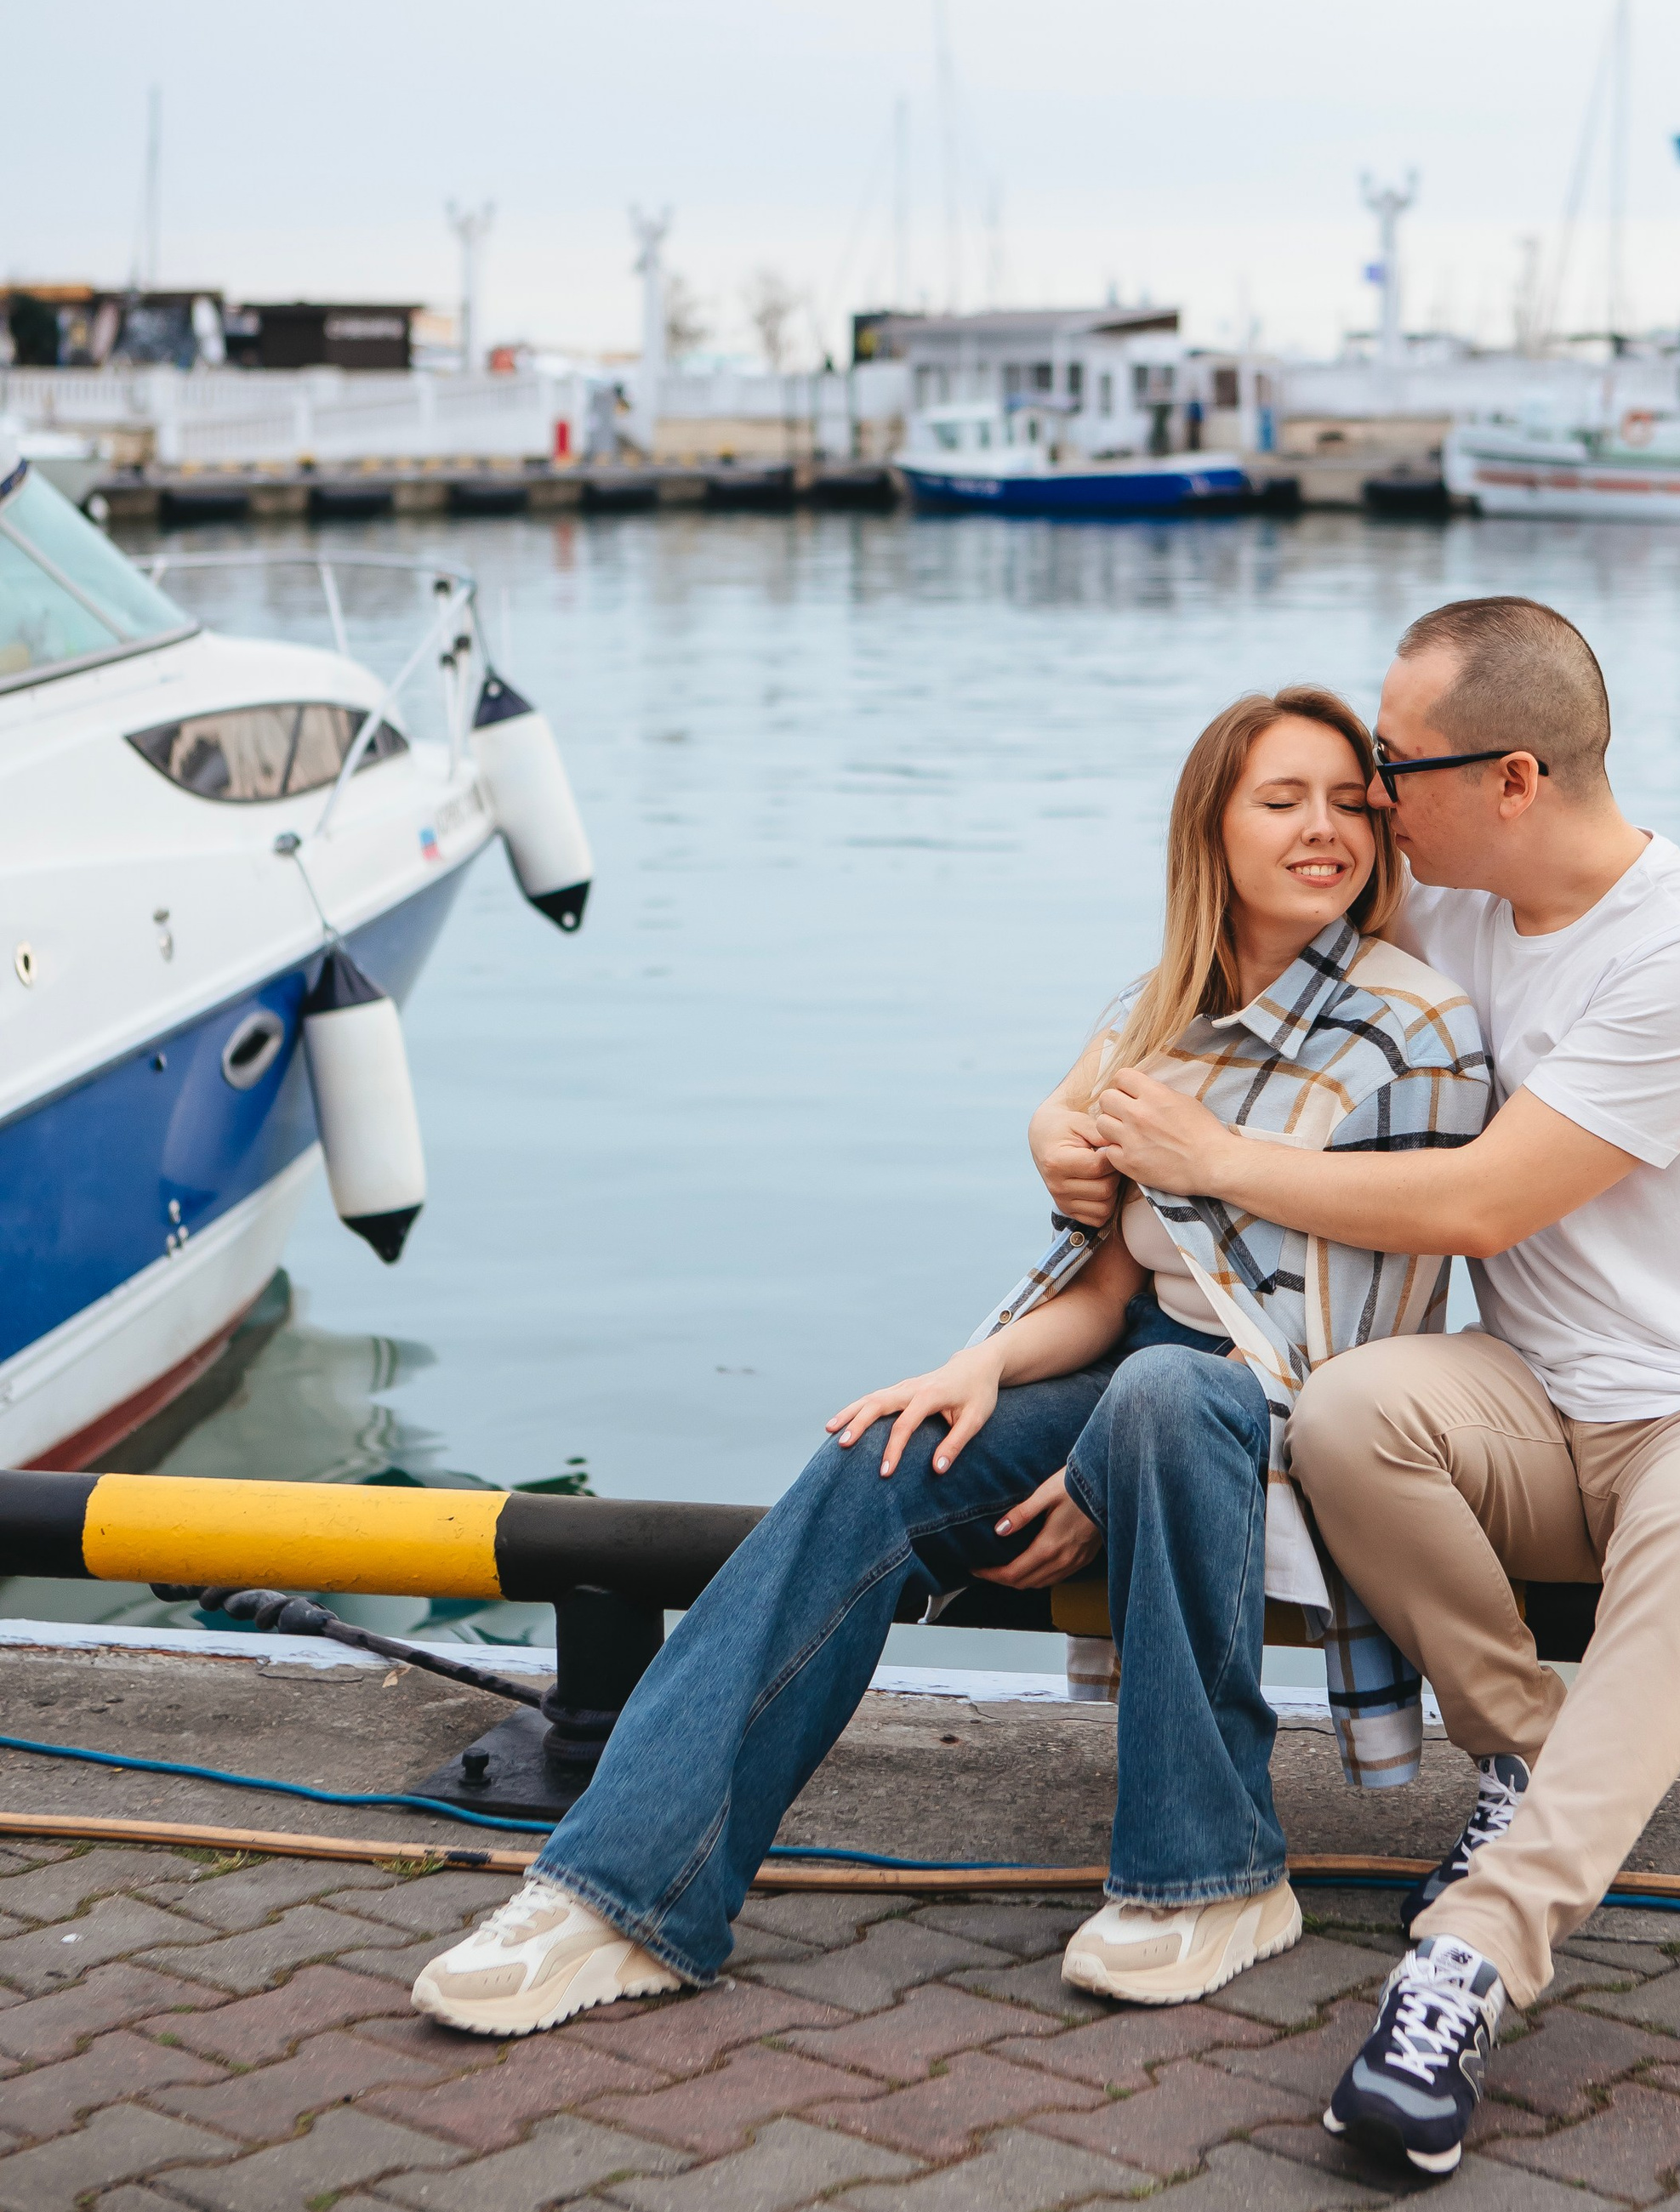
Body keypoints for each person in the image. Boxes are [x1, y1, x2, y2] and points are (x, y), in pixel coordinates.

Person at [410, 685, 1488, 2040]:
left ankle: (1212, 1877)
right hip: (1137, 1375)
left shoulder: (1417, 1028)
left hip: (1293, 1407)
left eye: (1348, 802)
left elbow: (1362, 1336)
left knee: (1164, 1396)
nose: (1323, 829)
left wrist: (1103, 1457)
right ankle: (624, 1895)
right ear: (1211, 829)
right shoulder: (1150, 1018)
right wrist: (976, 1372)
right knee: (884, 1450)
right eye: (1283, 801)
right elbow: (1106, 1294)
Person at [1046, 595, 1680, 2178]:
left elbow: (1486, 1200)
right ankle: (1525, 1747)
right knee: (1352, 1411)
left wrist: (1222, 1162)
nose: (1366, 801)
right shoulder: (1463, 911)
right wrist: (1059, 1120)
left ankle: (1470, 1966)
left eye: (1393, 768)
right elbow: (1222, 995)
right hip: (1530, 1407)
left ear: (1513, 779)